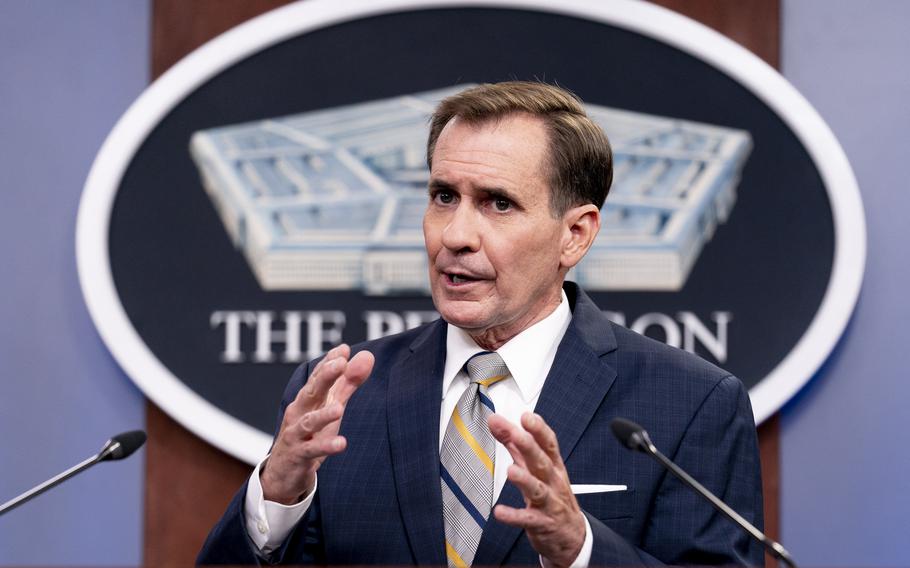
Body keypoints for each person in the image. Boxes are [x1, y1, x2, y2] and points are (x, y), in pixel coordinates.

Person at [198, 81, 763, 566]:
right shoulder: (345, 397)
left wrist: (581, 549)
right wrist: (276, 493)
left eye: (497, 203)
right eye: (444, 196)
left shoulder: (691, 404)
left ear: (576, 234)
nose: (455, 236)